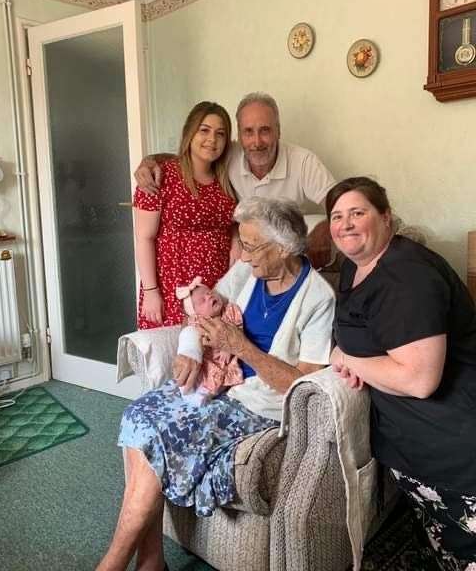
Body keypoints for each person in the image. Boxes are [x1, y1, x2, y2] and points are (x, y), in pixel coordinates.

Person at [96, 196, 335, 571]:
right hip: (217, 385)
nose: (243, 255)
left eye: (252, 246)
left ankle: (115, 563)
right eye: (242, 243)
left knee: (163, 434)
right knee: (140, 414)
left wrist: (242, 348)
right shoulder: (247, 273)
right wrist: (190, 350)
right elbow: (201, 313)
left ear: (284, 247)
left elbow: (304, 385)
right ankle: (151, 560)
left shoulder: (319, 298)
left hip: (261, 407)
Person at [327, 176, 476, 571]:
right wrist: (349, 355)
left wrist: (350, 361)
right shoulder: (354, 267)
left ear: (386, 218)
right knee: (450, 552)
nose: (346, 223)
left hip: (453, 447)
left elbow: (419, 379)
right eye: (337, 216)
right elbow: (359, 335)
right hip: (411, 445)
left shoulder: (407, 277)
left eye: (358, 212)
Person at [134, 92, 337, 267]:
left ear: (278, 131)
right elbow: (192, 156)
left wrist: (325, 229)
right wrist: (150, 161)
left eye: (265, 130)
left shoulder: (303, 161)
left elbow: (340, 202)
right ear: (238, 136)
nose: (257, 142)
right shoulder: (228, 154)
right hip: (243, 260)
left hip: (284, 260)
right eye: (248, 132)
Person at [133, 101, 237, 329]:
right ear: (189, 132)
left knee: (212, 360)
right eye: (204, 130)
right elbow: (144, 237)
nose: (212, 139)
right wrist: (151, 291)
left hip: (215, 293)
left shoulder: (228, 181)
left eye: (220, 134)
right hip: (173, 291)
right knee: (173, 358)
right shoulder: (160, 175)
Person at [175, 276, 244, 405]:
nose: (209, 297)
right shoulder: (198, 322)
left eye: (210, 293)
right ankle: (194, 393)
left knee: (223, 374)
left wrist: (229, 347)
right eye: (203, 300)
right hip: (209, 357)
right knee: (200, 372)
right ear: (196, 314)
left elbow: (239, 328)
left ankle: (212, 392)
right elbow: (193, 336)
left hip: (225, 357)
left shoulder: (230, 311)